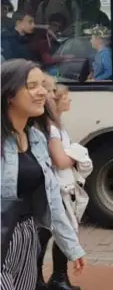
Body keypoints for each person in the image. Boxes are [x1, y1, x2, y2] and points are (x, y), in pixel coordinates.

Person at [1, 59, 87, 290]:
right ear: (9, 94)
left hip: (28, 238)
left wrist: (72, 247)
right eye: (32, 86)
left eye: (43, 85)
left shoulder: (37, 139)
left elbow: (53, 200)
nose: (43, 93)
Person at [38, 79, 91, 290]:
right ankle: (53, 278)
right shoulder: (51, 129)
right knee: (48, 232)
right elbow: (60, 161)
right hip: (59, 186)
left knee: (56, 230)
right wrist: (78, 157)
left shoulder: (56, 127)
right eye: (60, 94)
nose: (68, 98)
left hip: (61, 186)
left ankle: (54, 278)